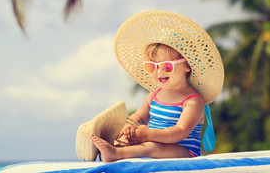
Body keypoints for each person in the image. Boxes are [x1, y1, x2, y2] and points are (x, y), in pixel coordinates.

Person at [88, 10, 224, 162]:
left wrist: (148, 134)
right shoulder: (154, 96)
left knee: (153, 148)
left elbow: (180, 131)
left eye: (167, 66)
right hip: (151, 142)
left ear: (187, 66)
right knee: (127, 141)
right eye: (152, 67)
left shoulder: (192, 101)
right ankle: (113, 149)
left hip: (183, 151)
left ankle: (115, 154)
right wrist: (129, 126)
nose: (158, 71)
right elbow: (139, 116)